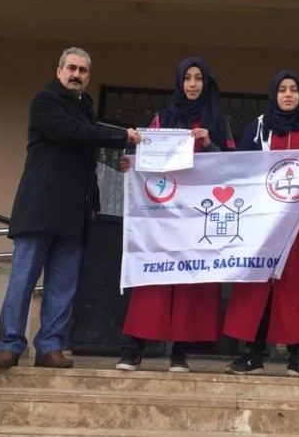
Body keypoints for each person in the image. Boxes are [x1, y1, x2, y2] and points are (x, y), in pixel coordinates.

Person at [0, 47, 140, 369]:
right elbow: (74, 134)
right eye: (72, 68)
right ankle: (10, 345)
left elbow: (87, 156)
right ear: (59, 71)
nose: (76, 74)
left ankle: (50, 347)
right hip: (40, 207)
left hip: (74, 212)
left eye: (83, 70)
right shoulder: (45, 101)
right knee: (23, 279)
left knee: (62, 285)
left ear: (88, 77)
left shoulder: (85, 108)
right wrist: (122, 135)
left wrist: (99, 195)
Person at [116, 57, 235, 373]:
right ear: (179, 83)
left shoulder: (217, 122)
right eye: (187, 78)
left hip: (199, 218)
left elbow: (233, 167)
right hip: (162, 215)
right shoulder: (163, 119)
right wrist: (131, 163)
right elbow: (146, 158)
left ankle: (180, 351)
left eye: (198, 78)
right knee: (151, 276)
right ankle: (135, 347)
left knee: (189, 282)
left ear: (206, 83)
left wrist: (210, 144)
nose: (193, 84)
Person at [223, 70, 299, 379]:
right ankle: (252, 353)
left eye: (294, 90)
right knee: (258, 283)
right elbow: (240, 168)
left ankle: (298, 355)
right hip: (262, 223)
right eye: (282, 89)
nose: (288, 94)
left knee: (298, 285)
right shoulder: (259, 127)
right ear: (274, 94)